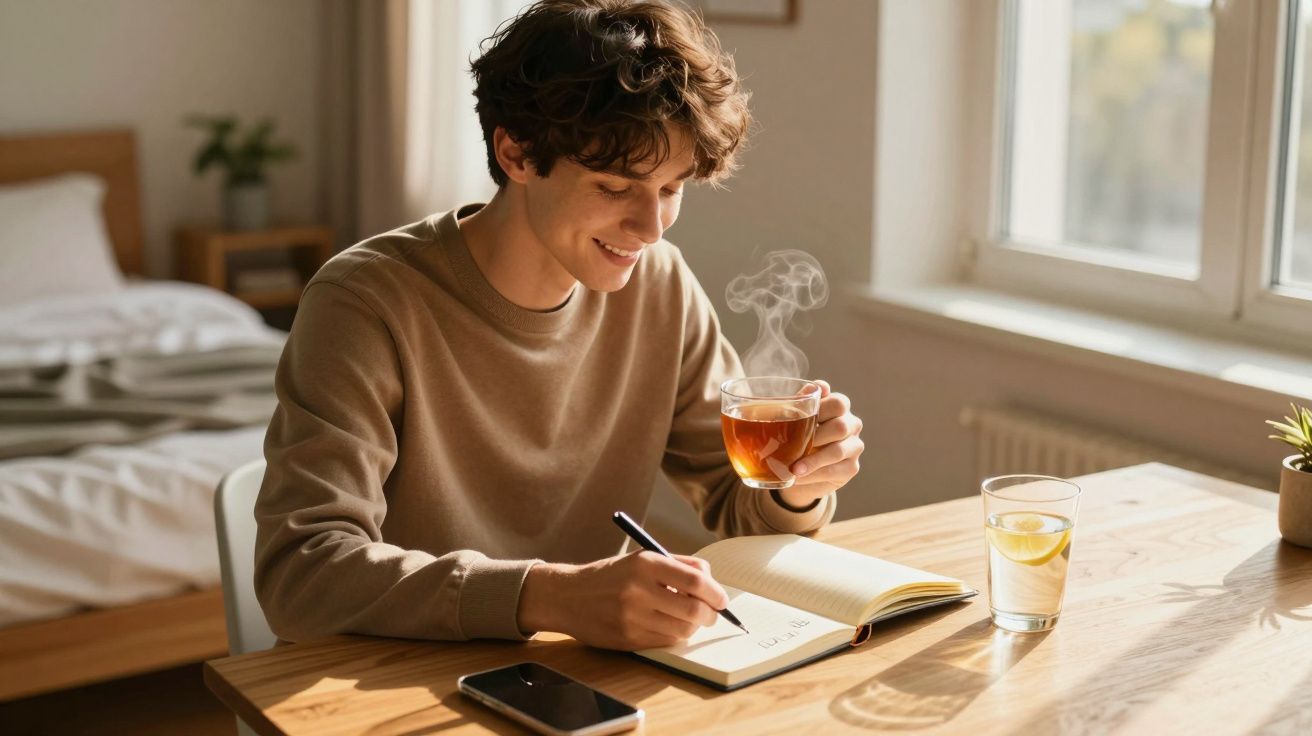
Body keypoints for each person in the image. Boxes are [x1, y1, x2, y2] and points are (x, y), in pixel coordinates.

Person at [253, 0, 865, 651]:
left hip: (579, 669)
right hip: (390, 675)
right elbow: (301, 575)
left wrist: (799, 487)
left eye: (671, 189)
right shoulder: (366, 302)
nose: (651, 229)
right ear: (516, 152)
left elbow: (739, 504)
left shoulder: (660, 285)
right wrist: (547, 596)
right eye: (615, 187)